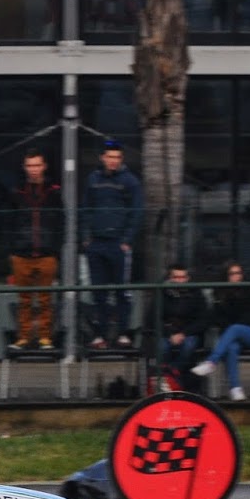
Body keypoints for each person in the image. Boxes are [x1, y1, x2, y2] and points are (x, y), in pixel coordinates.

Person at [82, 141, 144, 349]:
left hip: (118, 244)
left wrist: (126, 240)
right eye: (110, 157)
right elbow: (85, 209)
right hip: (97, 243)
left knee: (122, 292)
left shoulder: (130, 181)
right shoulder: (93, 179)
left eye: (117, 157)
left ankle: (123, 334)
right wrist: (86, 237)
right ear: (103, 157)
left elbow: (136, 213)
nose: (113, 161)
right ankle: (100, 335)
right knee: (98, 292)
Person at [7, 149, 64, 350]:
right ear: (24, 167)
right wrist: (12, 248)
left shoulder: (53, 192)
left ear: (44, 166)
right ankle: (23, 337)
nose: (33, 169)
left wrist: (56, 249)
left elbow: (61, 221)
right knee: (23, 299)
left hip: (47, 253)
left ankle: (45, 337)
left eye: (37, 165)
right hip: (21, 252)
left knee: (45, 298)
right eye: (30, 165)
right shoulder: (17, 192)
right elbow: (8, 221)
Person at [190, 261, 250, 401]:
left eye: (239, 273)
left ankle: (211, 362)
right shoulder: (220, 293)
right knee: (231, 348)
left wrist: (237, 324)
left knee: (235, 328)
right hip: (231, 336)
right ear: (226, 276)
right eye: (232, 274)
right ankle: (235, 388)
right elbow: (216, 317)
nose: (237, 276)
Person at [153, 264, 208, 392]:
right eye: (176, 277)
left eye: (183, 277)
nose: (180, 281)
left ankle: (170, 375)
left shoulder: (196, 293)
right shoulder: (162, 293)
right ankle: (172, 379)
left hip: (189, 333)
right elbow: (153, 318)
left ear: (188, 278)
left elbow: (203, 320)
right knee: (162, 347)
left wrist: (183, 333)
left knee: (188, 346)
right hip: (167, 333)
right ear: (170, 278)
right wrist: (170, 334)